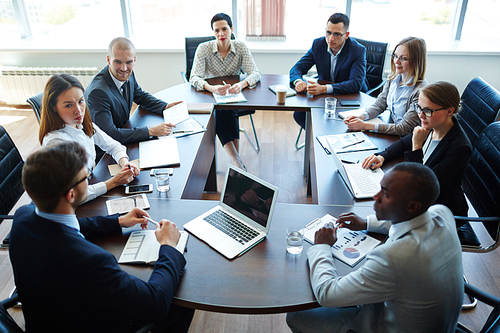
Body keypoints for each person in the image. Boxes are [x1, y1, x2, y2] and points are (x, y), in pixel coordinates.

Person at [9, 141, 194, 332]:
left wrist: (118, 221)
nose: (89, 180)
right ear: (71, 194)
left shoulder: (23, 217)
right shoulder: (91, 261)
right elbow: (156, 302)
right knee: (182, 303)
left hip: (44, 320)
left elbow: (70, 225)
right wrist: (169, 245)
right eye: (86, 177)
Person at [286, 162, 463, 333]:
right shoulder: (442, 213)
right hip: (437, 323)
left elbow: (327, 294)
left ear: (411, 206)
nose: (375, 197)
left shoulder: (393, 258)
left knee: (296, 317)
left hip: (389, 324)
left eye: (385, 194)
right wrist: (367, 223)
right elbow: (412, 220)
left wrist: (322, 247)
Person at [362, 81, 472, 217]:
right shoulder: (433, 125)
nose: (420, 115)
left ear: (450, 111)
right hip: (419, 201)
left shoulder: (460, 148)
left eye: (428, 110)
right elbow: (403, 143)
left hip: (440, 212)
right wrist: (382, 156)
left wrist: (417, 146)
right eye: (419, 107)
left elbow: (421, 186)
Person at [39, 73, 140, 203]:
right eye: (69, 105)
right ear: (53, 108)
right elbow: (74, 195)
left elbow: (113, 145)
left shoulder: (81, 123)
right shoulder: (55, 143)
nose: (79, 110)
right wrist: (113, 183)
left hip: (91, 184)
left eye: (81, 101)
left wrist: (125, 163)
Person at [189, 13, 261, 170]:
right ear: (213, 32)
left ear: (232, 29)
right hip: (209, 95)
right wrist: (211, 88)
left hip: (232, 93)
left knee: (228, 110)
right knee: (222, 111)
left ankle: (235, 161)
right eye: (216, 31)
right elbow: (193, 77)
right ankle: (236, 160)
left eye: (224, 29)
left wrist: (241, 84)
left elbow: (255, 73)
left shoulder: (240, 47)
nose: (221, 34)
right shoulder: (204, 48)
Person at [85, 37, 181, 144]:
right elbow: (110, 134)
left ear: (134, 60)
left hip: (124, 132)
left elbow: (140, 96)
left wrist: (165, 107)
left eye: (128, 62)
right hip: (106, 150)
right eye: (118, 62)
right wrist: (151, 131)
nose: (124, 68)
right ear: (108, 60)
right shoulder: (98, 92)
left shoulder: (128, 75)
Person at [289, 13, 369, 129]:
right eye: (328, 32)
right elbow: (297, 68)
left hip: (350, 97)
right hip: (325, 98)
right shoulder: (318, 44)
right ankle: (318, 139)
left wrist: (324, 88)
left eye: (336, 34)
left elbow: (356, 84)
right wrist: (298, 82)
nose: (331, 38)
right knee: (300, 115)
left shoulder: (358, 50)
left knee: (340, 124)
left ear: (346, 35)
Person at [344, 36, 428, 136]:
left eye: (403, 58)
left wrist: (365, 125)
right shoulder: (393, 78)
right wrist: (361, 116)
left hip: (406, 138)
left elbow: (405, 128)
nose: (396, 61)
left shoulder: (420, 92)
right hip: (390, 129)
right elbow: (381, 103)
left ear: (416, 61)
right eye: (395, 56)